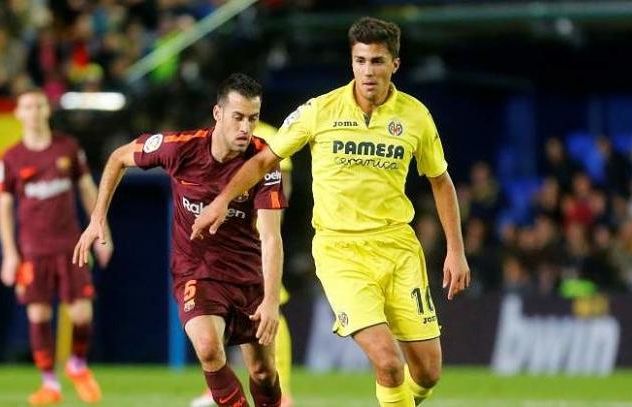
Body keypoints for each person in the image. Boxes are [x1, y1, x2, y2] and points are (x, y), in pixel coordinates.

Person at [191, 17, 471, 407]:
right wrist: (222, 200)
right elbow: (263, 161)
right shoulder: (318, 112)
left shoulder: (415, 117)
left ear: (395, 65)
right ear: (351, 62)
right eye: (360, 61)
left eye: (376, 61)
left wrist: (455, 251)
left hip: (399, 249)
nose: (367, 71)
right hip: (341, 252)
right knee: (388, 364)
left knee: (427, 372)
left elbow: (441, 182)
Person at [73, 73, 287, 407]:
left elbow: (272, 236)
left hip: (246, 275)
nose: (246, 128)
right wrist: (97, 217)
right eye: (238, 117)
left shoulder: (264, 162)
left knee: (263, 372)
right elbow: (118, 158)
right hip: (196, 270)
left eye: (253, 119)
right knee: (208, 348)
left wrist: (271, 300)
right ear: (218, 114)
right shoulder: (181, 148)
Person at [0, 90, 113, 405]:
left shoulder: (68, 147)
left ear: (47, 110)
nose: (33, 112)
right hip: (33, 249)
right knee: (39, 314)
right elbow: (4, 208)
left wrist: (102, 231)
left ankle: (77, 364)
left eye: (39, 105)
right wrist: (10, 253)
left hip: (70, 245)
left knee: (82, 313)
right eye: (27, 107)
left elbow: (87, 189)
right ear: (18, 113)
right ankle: (50, 383)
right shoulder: (11, 158)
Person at [190, 121, 294, 407]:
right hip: (223, 236)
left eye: (250, 114)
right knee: (215, 307)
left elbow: (280, 185)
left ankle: (282, 387)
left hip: (256, 237)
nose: (244, 122)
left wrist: (268, 223)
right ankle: (214, 385)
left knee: (270, 309)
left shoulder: (272, 137)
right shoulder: (213, 139)